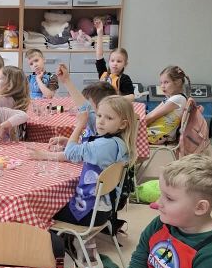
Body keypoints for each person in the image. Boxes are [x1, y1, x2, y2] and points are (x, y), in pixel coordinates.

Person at [32, 96, 136, 232]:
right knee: (58, 199)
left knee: (37, 208)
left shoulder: (104, 145)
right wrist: (69, 141)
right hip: (103, 208)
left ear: (122, 124)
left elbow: (71, 153)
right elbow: (85, 151)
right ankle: (75, 241)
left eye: (109, 118)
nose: (101, 121)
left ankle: (55, 241)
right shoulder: (117, 142)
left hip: (88, 212)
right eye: (99, 115)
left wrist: (80, 125)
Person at [146, 65, 189, 144]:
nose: (162, 86)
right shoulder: (171, 97)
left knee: (127, 133)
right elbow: (152, 113)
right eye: (161, 83)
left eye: (166, 82)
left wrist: (137, 125)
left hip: (159, 136)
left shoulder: (177, 99)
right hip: (157, 132)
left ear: (178, 82)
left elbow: (153, 116)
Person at [93, 18, 135, 98]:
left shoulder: (124, 79)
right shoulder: (103, 73)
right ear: (109, 62)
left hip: (116, 104)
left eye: (119, 61)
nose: (115, 63)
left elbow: (131, 97)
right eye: (112, 61)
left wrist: (115, 99)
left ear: (125, 64)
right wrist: (100, 33)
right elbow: (99, 55)